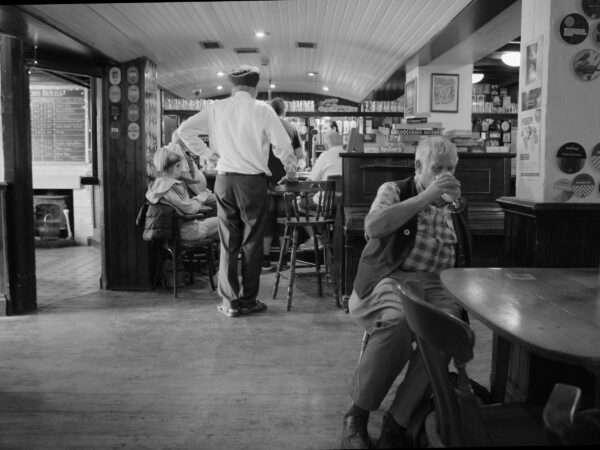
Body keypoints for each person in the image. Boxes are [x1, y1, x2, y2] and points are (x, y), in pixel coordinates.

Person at [340, 136, 472, 449]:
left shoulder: (455, 205)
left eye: (450, 168)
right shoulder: (395, 189)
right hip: (391, 278)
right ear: (418, 167)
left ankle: (396, 423)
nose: (445, 175)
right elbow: (373, 227)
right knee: (399, 320)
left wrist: (454, 206)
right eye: (438, 168)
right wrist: (426, 196)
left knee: (447, 332)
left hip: (440, 285)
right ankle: (356, 416)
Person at [175, 65, 298, 318]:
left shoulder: (217, 108)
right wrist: (292, 171)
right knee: (252, 242)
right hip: (253, 183)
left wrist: (209, 154)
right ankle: (249, 301)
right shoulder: (263, 109)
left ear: (233, 87)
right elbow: (283, 146)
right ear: (255, 87)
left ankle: (229, 302)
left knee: (228, 241)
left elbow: (183, 130)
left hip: (223, 180)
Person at [262, 97, 305, 271]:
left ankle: (265, 260)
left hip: (266, 180)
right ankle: (284, 260)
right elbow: (300, 155)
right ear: (284, 111)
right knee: (284, 220)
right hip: (286, 180)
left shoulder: (262, 128)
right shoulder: (291, 128)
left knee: (266, 220)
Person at [146, 144, 219, 241]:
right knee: (226, 222)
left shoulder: (156, 185)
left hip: (173, 230)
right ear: (176, 166)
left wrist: (195, 199)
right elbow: (190, 209)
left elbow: (182, 203)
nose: (182, 170)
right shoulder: (174, 186)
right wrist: (201, 198)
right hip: (188, 229)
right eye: (181, 167)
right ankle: (225, 255)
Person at [298, 130, 345, 251]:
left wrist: (302, 194)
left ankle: (316, 238)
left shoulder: (325, 155)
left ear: (326, 145)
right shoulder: (349, 155)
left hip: (325, 204)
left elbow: (310, 181)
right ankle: (327, 237)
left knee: (298, 204)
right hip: (345, 204)